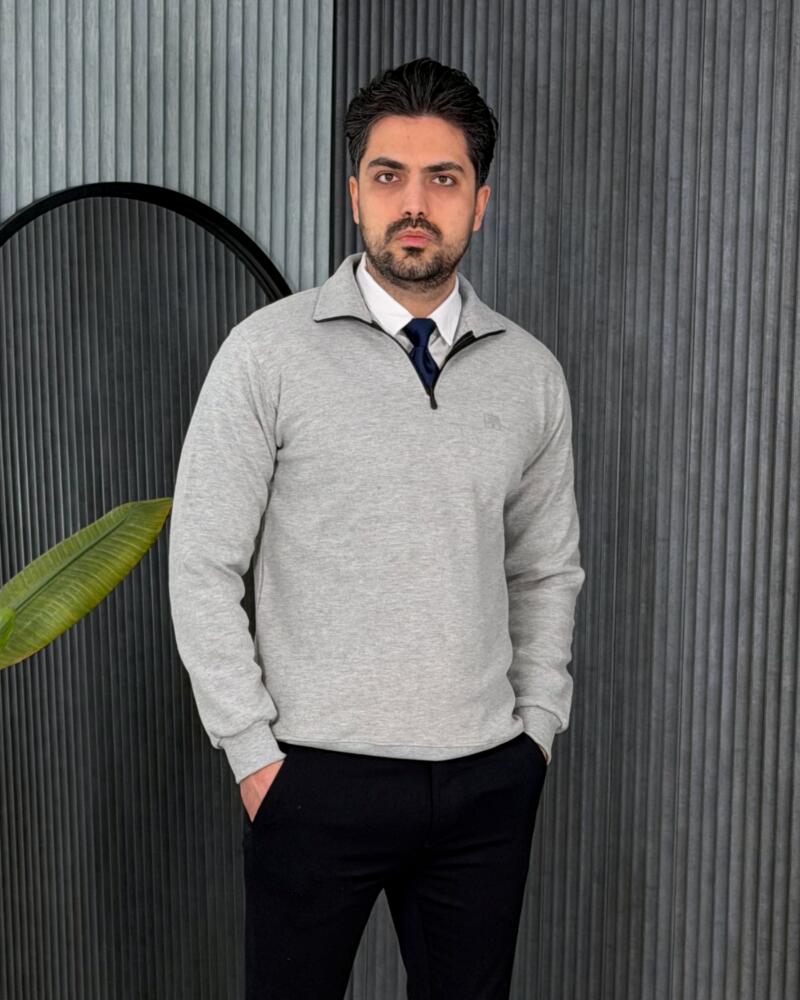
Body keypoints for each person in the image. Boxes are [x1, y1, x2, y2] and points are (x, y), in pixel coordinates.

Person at [168, 56, 585, 1000]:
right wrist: (254, 755)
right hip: (312, 780)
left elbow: (546, 570)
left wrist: (536, 732)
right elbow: (201, 563)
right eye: (389, 175)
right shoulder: (266, 354)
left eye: (444, 178)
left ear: (480, 202)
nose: (415, 203)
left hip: (485, 781)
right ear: (354, 191)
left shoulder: (531, 374)